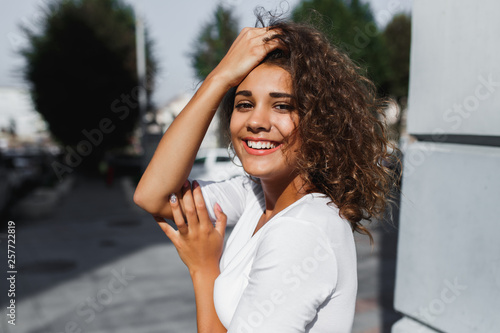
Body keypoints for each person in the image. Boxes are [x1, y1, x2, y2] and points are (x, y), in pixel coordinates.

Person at [134, 16, 397, 333]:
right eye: (244, 104)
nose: (256, 121)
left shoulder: (300, 231)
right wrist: (219, 79)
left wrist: (204, 270)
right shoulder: (256, 195)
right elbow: (154, 196)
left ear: (320, 124)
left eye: (283, 106)